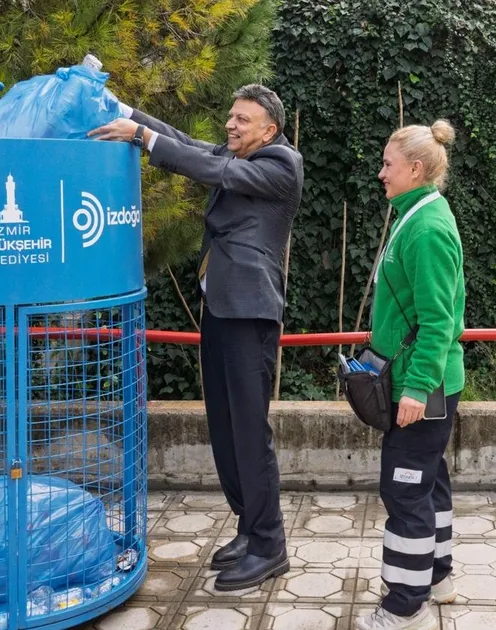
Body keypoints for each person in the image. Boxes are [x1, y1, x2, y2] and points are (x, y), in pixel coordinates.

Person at [89, 85, 303, 591]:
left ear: (268, 130)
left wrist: (140, 137)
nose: (230, 126)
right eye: (230, 116)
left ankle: (271, 544)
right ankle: (249, 528)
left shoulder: (280, 163)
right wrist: (124, 111)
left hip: (250, 313)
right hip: (221, 310)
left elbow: (215, 170)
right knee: (225, 429)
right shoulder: (241, 153)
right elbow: (187, 142)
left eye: (242, 120)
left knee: (250, 432)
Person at [355, 120, 466, 630]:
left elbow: (440, 321)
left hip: (422, 386)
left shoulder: (427, 228)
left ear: (416, 169)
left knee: (404, 489)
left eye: (388, 165)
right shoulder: (415, 215)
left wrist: (418, 387)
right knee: (427, 481)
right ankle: (437, 576)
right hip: (416, 381)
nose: (381, 173)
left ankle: (405, 603)